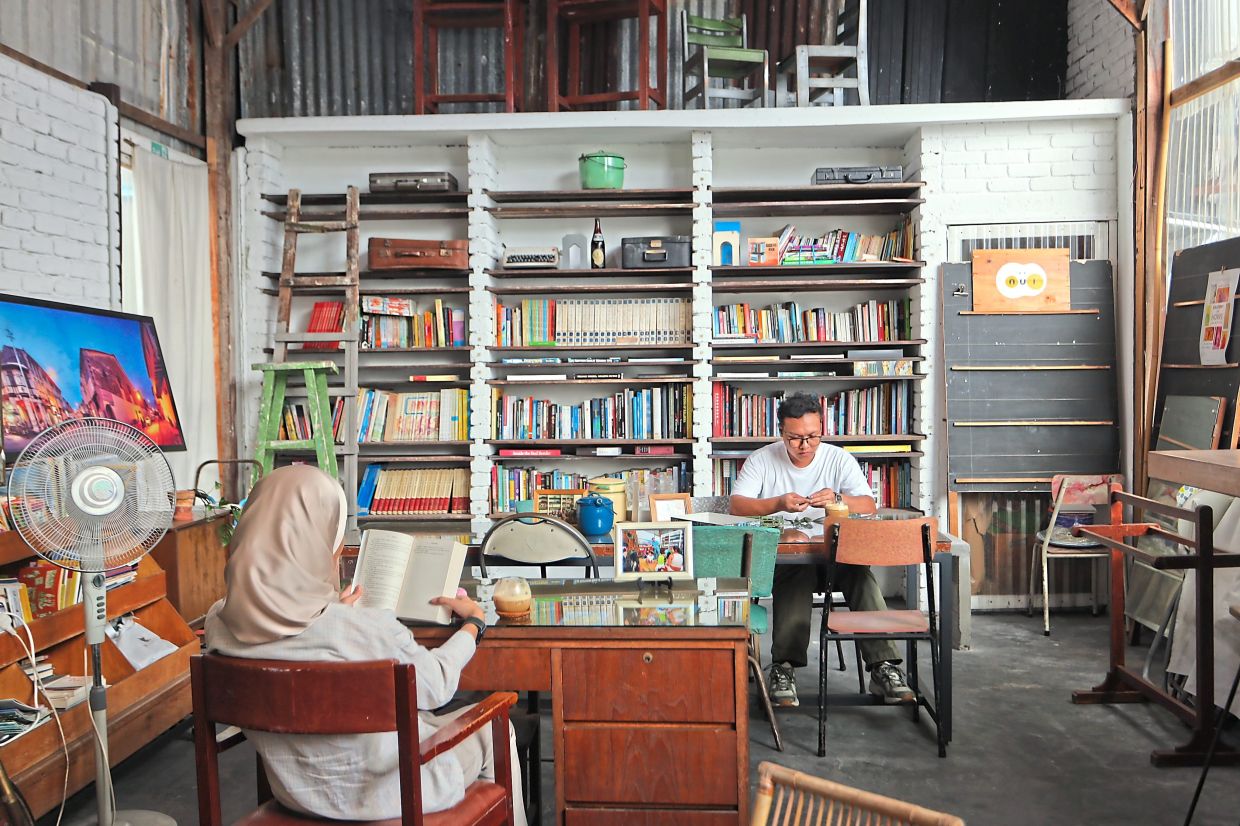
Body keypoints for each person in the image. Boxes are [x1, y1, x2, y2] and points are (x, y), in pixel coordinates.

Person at [203, 465, 526, 824]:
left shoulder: (218, 622)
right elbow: (435, 686)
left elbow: (302, 638)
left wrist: (333, 611)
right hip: (398, 796)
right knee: (497, 728)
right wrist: (473, 624)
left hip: (297, 799)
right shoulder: (365, 627)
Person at [729, 392, 915, 709]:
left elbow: (868, 505)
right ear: (781, 433)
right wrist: (777, 503)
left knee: (860, 574)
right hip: (787, 561)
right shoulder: (762, 460)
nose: (805, 445)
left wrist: (838, 499)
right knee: (795, 573)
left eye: (813, 436)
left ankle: (883, 666)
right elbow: (737, 506)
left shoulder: (838, 459)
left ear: (821, 430)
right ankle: (784, 667)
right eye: (795, 438)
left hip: (834, 558)